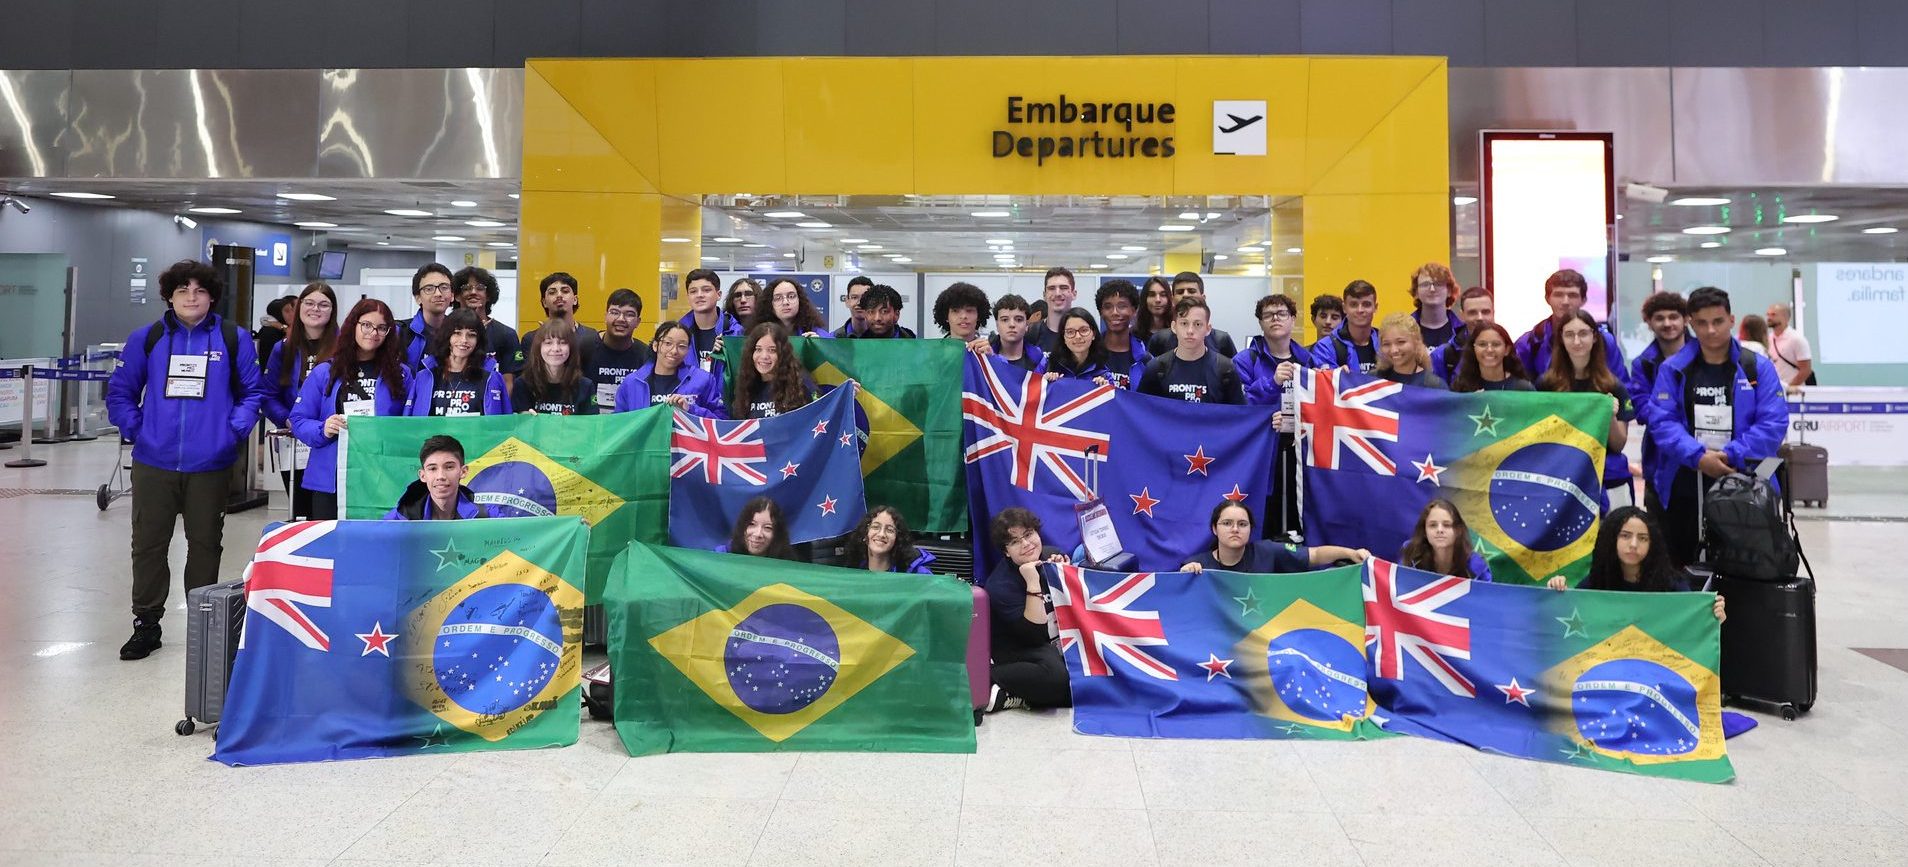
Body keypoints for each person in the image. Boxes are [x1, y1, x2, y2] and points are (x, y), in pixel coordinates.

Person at [106, 259, 265, 661]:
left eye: (199, 290)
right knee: (148, 545)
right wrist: (138, 429)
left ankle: (203, 622)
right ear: (169, 297)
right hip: (154, 462)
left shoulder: (232, 338)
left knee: (206, 544)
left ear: (212, 297)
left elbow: (252, 392)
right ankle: (146, 624)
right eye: (182, 291)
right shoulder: (148, 338)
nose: (191, 297)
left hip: (210, 465)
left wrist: (231, 432)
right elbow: (121, 392)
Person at [1647, 286, 1788, 568]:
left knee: (1745, 569)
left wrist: (1731, 454)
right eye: (1701, 323)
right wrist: (1698, 456)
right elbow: (1662, 421)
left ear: (1731, 320)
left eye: (1718, 321)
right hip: (1684, 485)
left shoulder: (1758, 368)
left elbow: (1774, 422)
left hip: (1745, 484)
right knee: (1683, 567)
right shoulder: (1673, 369)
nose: (1710, 330)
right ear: (1691, 324)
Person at [290, 298, 411, 521]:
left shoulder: (401, 374)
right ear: (353, 325)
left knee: (375, 539)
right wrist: (323, 429)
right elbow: (298, 419)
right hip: (332, 477)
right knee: (330, 539)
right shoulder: (325, 372)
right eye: (366, 325)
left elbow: (409, 424)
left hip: (380, 476)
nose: (373, 333)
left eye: (381, 328)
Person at [1544, 506, 1728, 622]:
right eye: (1625, 536)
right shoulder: (1595, 582)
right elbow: (1566, 619)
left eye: (1643, 538)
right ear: (1611, 540)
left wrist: (1714, 618)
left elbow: (1693, 626)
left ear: (1652, 544)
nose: (1633, 544)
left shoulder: (1673, 586)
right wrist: (1556, 592)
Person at [1234, 293, 1315, 540]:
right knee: (1264, 513)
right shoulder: (1245, 360)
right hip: (1262, 451)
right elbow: (1240, 405)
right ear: (1260, 322)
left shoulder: (1308, 360)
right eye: (1268, 315)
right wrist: (1272, 383)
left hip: (1299, 449)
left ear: (1293, 319)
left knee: (1298, 512)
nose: (1275, 319)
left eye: (1281, 313)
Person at [981, 507, 1072, 711]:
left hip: (1053, 643)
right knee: (1059, 680)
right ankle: (990, 677)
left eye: (1028, 534)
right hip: (1020, 650)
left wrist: (1065, 574)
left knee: (1091, 679)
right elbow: (1034, 635)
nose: (1026, 544)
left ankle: (1019, 694)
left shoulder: (1052, 555)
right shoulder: (999, 585)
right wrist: (1033, 582)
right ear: (1006, 552)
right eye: (1014, 542)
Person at [1540, 310, 1634, 506]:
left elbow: (1619, 445)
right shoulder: (1546, 385)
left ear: (1594, 337)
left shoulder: (1613, 385)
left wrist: (1610, 417)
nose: (1577, 341)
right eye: (1569, 334)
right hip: (1560, 477)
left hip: (1605, 477)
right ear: (1561, 339)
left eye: (1583, 333)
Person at [261, 282, 338, 519]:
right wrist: (288, 420)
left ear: (333, 310)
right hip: (294, 440)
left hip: (331, 441)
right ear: (299, 307)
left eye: (323, 304)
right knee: (300, 512)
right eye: (309, 303)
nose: (315, 309)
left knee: (326, 512)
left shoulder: (344, 348)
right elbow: (268, 395)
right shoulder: (282, 348)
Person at [1178, 501, 1369, 573]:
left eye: (1242, 524)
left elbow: (1316, 554)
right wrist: (1184, 578)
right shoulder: (1197, 565)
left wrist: (1351, 553)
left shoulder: (1267, 552)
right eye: (1227, 523)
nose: (1235, 529)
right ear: (1214, 529)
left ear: (1250, 529)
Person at [1513, 268, 1625, 383]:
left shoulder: (1604, 341)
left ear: (1583, 300)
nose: (1565, 302)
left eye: (1572, 295)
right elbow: (1518, 389)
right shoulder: (1528, 344)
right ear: (1547, 299)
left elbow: (1622, 386)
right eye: (1558, 295)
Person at [1631, 291, 1690, 509]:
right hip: (1658, 461)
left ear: (1686, 320)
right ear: (1649, 322)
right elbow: (1643, 410)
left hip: (1703, 458)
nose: (1667, 323)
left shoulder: (1705, 356)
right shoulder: (1642, 364)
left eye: (1673, 317)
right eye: (1659, 318)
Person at [1137, 297, 1245, 404]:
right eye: (1184, 323)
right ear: (1174, 327)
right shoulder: (1155, 368)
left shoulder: (1227, 369)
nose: (1190, 331)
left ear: (1208, 329)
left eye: (1197, 324)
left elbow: (1238, 412)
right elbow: (1141, 409)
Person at [405, 308, 507, 417]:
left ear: (478, 341)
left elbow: (507, 422)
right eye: (457, 333)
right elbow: (408, 422)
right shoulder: (424, 377)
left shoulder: (492, 378)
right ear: (447, 336)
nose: (464, 340)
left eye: (471, 335)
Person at [613, 321, 727, 416]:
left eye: (682, 346)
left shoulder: (703, 380)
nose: (674, 351)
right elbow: (618, 424)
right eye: (668, 343)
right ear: (655, 345)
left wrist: (690, 409)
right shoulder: (632, 382)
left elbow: (721, 420)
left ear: (688, 350)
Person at [582, 288, 654, 411]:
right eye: (614, 312)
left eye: (629, 314)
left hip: (629, 421)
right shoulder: (583, 348)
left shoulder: (646, 355)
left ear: (638, 322)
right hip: (590, 420)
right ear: (605, 316)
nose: (621, 319)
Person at [384, 435, 488, 520]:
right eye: (433, 468)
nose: (440, 476)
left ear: (463, 472)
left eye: (449, 467)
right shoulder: (401, 517)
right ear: (423, 475)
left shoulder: (487, 515)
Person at [732, 322, 819, 418]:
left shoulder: (801, 384)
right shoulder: (745, 387)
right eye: (758, 349)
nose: (764, 356)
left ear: (783, 354)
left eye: (772, 350)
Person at [453, 265, 521, 388]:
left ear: (488, 295)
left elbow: (508, 382)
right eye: (466, 288)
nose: (473, 292)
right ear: (457, 295)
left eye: (480, 288)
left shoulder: (506, 334)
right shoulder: (446, 330)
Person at [512, 318, 597, 415]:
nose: (556, 349)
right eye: (548, 343)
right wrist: (524, 418)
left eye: (562, 342)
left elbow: (592, 423)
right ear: (538, 347)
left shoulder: (585, 386)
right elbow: (514, 422)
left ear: (571, 347)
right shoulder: (522, 385)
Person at [1395, 499, 1493, 581]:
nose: (1439, 530)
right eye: (1433, 525)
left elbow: (1485, 596)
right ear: (1425, 531)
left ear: (1458, 530)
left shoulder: (1475, 566)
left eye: (1447, 525)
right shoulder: (1411, 557)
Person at [521, 270, 603, 368]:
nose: (559, 295)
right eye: (552, 292)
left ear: (575, 300)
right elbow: (531, 375)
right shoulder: (531, 339)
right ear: (544, 302)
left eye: (565, 291)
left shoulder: (591, 336)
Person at [1146, 271, 1238, 358]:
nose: (1185, 295)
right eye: (1180, 292)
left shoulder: (1222, 340)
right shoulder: (1159, 340)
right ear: (1173, 300)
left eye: (1191, 291)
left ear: (1203, 298)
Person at [678, 267, 744, 375]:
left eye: (706, 290)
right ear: (688, 297)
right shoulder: (678, 333)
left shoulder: (735, 333)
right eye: (693, 291)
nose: (699, 295)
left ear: (719, 295)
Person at [1038, 308, 1122, 387]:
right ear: (1063, 337)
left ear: (1093, 334)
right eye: (1070, 332)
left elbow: (1113, 397)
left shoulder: (1104, 374)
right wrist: (1043, 383)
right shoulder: (1047, 364)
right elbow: (1033, 392)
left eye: (1084, 330)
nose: (1078, 336)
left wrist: (1105, 390)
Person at [1311, 279, 1379, 373]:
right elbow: (1326, 381)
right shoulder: (1325, 347)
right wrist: (1337, 375)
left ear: (1375, 307)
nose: (1360, 310)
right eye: (1353, 304)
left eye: (1366, 304)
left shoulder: (1386, 343)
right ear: (1344, 308)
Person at [843, 506, 937, 574]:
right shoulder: (851, 571)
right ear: (865, 534)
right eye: (875, 527)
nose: (881, 534)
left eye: (889, 530)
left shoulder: (915, 573)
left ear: (897, 538)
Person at [1430, 286, 1494, 384]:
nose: (1480, 318)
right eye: (1472, 313)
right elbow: (1433, 392)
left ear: (1493, 313)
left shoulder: (1507, 351)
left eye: (1485, 312)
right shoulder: (1442, 356)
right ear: (1462, 315)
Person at [1094, 279, 1150, 389]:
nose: (1115, 312)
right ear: (1101, 312)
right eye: (1108, 307)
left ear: (1134, 311)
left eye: (1122, 306)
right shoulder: (1089, 354)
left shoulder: (1145, 360)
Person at [399, 263, 456, 369]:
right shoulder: (401, 332)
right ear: (418, 298)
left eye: (444, 287)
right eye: (429, 289)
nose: (438, 294)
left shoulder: (459, 333)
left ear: (452, 295)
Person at [1449, 322, 1534, 392]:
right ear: (1473, 349)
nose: (1489, 350)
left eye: (1496, 344)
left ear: (1507, 350)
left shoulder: (1523, 388)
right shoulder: (1461, 387)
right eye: (1482, 344)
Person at [1374, 312, 1447, 389]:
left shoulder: (1435, 386)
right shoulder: (1373, 381)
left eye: (1401, 342)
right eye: (1386, 344)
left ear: (1416, 342)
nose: (1393, 350)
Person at [718, 496, 799, 560]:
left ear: (777, 534)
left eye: (767, 528)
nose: (758, 534)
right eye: (752, 524)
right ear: (742, 527)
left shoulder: (788, 565)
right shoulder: (722, 555)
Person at [1026, 267, 1085, 352]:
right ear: (1044, 295)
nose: (1057, 293)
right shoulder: (1030, 334)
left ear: (1074, 294)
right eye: (1051, 288)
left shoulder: (1084, 336)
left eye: (1063, 288)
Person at [984, 293, 1045, 373]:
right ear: (997, 325)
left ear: (1027, 325)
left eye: (1019, 320)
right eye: (1005, 320)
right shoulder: (984, 356)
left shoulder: (1039, 360)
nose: (1012, 325)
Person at [755, 276, 829, 338]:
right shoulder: (758, 334)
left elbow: (830, 346)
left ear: (800, 301)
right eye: (778, 298)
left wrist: (818, 344)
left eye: (791, 296)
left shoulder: (816, 333)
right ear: (770, 304)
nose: (785, 302)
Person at [1410, 262, 1459, 348]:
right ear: (1416, 292)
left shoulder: (1462, 331)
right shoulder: (1404, 329)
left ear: (1449, 291)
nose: (1432, 289)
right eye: (1425, 284)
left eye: (1438, 284)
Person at [1765, 301, 1814, 388]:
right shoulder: (1768, 339)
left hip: (1794, 391)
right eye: (1768, 314)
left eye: (1773, 315)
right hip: (1774, 390)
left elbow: (1806, 370)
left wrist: (1789, 388)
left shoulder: (1796, 339)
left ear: (1785, 317)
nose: (1769, 318)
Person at [849, 284, 914, 339]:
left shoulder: (913, 344)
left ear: (896, 315)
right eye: (871, 312)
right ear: (865, 315)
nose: (877, 318)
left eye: (884, 311)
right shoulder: (858, 345)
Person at [255, 294, 295, 369]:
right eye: (287, 311)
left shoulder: (282, 329)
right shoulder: (270, 332)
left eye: (292, 310)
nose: (292, 314)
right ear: (277, 313)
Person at [1136, 275, 1174, 343]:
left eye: (1163, 295)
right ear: (1144, 299)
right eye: (1152, 295)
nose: (1157, 300)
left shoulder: (1177, 333)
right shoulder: (1134, 334)